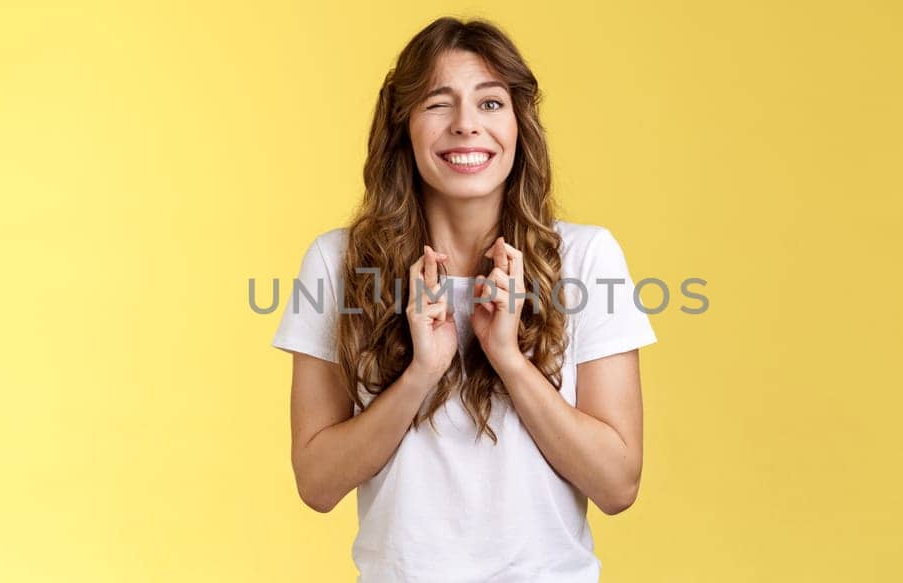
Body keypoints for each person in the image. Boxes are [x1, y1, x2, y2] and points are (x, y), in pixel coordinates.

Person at [271, 16, 656, 583]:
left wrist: (507, 357)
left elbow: (618, 484)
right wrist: (423, 372)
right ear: (403, 125)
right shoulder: (338, 265)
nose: (466, 126)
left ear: (520, 124)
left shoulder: (586, 259)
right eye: (437, 103)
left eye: (491, 103)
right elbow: (318, 483)